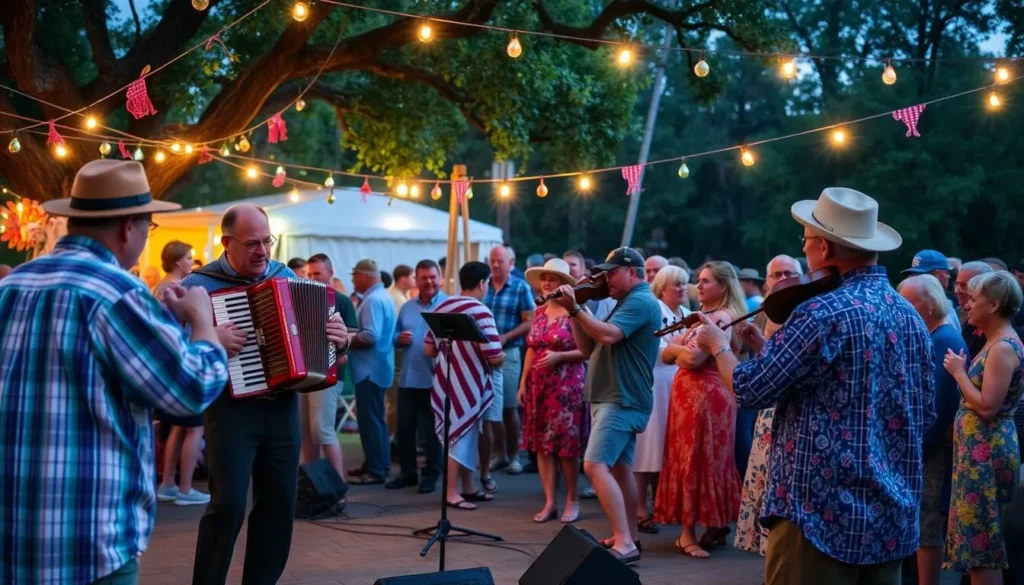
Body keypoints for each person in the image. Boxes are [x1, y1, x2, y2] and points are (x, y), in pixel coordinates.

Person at [0, 159, 229, 585]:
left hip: (11, 536)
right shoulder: (118, 293)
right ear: (129, 227)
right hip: (87, 542)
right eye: (149, 227)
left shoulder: (12, 286)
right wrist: (202, 324)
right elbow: (191, 390)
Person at [694, 187, 933, 585]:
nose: (805, 253)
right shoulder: (909, 315)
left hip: (818, 518)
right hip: (890, 517)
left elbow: (750, 389)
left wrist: (719, 347)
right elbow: (921, 412)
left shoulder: (820, 311)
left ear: (824, 247)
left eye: (805, 243)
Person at [184, 204, 350, 585]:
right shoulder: (199, 286)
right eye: (253, 243)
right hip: (229, 409)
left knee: (278, 505)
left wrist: (338, 344)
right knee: (227, 505)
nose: (263, 251)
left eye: (267, 241)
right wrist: (209, 337)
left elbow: (317, 342)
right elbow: (174, 351)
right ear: (227, 243)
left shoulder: (284, 275)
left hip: (282, 405)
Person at [553, 247, 661, 565]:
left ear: (632, 272)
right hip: (616, 396)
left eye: (611, 272)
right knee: (619, 468)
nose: (605, 279)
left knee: (594, 465)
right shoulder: (625, 302)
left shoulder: (640, 299)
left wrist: (575, 309)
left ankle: (624, 542)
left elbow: (610, 336)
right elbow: (588, 347)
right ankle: (630, 537)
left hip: (622, 398)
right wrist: (577, 309)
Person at [655, 261, 746, 558]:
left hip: (706, 398)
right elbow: (668, 353)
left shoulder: (721, 317)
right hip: (691, 397)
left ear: (723, 286)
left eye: (706, 281)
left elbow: (689, 358)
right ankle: (710, 526)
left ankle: (687, 535)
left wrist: (677, 350)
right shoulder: (703, 317)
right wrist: (678, 351)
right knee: (696, 458)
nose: (699, 286)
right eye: (699, 279)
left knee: (698, 459)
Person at [942, 270, 1024, 585]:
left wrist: (959, 373)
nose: (968, 305)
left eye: (975, 299)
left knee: (983, 545)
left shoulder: (1003, 347)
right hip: (978, 455)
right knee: (978, 541)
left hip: (985, 456)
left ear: (994, 305)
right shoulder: (995, 342)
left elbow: (988, 406)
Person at [897, 274, 968, 585]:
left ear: (925, 307)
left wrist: (915, 448)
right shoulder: (939, 336)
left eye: (906, 303)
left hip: (932, 449)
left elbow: (936, 405)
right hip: (929, 445)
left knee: (927, 523)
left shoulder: (942, 340)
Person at [734, 254, 803, 557]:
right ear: (767, 280)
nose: (782, 278)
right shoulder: (763, 311)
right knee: (763, 480)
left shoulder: (804, 312)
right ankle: (768, 554)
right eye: (776, 274)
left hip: (791, 411)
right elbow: (769, 363)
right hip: (767, 411)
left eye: (789, 272)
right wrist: (758, 343)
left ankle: (782, 556)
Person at [424, 261, 505, 510]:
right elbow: (494, 355)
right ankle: (451, 492)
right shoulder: (480, 311)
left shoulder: (443, 305)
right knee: (460, 435)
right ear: (482, 283)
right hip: (470, 383)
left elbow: (427, 348)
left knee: (462, 432)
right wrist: (500, 359)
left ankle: (468, 487)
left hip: (446, 381)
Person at [519, 258, 589, 524]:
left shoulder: (575, 310)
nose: (547, 283)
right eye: (545, 278)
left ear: (564, 283)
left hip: (567, 384)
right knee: (542, 446)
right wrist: (523, 382)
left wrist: (560, 357)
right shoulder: (539, 311)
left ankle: (572, 498)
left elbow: (587, 351)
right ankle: (550, 501)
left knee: (565, 447)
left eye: (553, 279)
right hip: (539, 383)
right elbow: (531, 348)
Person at [633, 265, 690, 536]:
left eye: (684, 283)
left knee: (667, 449)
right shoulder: (655, 311)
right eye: (676, 284)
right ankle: (639, 508)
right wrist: (682, 346)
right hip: (656, 384)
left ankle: (662, 503)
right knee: (648, 447)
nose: (681, 288)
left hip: (679, 385)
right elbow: (658, 350)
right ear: (662, 287)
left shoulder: (688, 314)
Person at [154, 240, 211, 506]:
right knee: (195, 428)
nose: (192, 261)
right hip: (184, 365)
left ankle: (168, 483)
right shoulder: (175, 288)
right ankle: (186, 488)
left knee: (179, 426)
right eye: (189, 257)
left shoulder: (161, 287)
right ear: (178, 261)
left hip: (171, 368)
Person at [387, 260, 447, 494]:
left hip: (435, 380)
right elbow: (395, 335)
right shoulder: (408, 307)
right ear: (417, 280)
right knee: (405, 429)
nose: (429, 281)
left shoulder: (448, 305)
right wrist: (398, 338)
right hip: (409, 378)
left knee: (432, 432)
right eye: (424, 278)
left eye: (433, 277)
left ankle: (431, 475)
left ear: (440, 278)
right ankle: (408, 473)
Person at [300, 254, 358, 481]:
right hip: (303, 374)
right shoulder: (304, 298)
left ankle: (337, 486)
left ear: (330, 273)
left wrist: (338, 351)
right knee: (306, 432)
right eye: (309, 274)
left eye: (317, 273)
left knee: (322, 430)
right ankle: (313, 485)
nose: (312, 278)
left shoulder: (342, 301)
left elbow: (350, 340)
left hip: (329, 374)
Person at [484, 245, 535, 475]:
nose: (495, 265)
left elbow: (529, 322)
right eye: (492, 261)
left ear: (511, 263)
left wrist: (506, 336)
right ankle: (498, 454)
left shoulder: (520, 287)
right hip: (484, 353)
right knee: (490, 407)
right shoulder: (483, 286)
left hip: (510, 352)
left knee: (509, 407)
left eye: (500, 261)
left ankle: (514, 456)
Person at [346, 259, 398, 485]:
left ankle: (375, 470)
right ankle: (378, 464)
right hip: (379, 367)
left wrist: (345, 339)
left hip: (369, 369)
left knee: (369, 421)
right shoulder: (382, 297)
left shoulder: (372, 301)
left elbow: (370, 336)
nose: (352, 280)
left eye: (354, 275)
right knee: (377, 419)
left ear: (364, 275)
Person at [902, 249, 960, 331]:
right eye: (946, 272)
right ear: (937, 274)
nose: (949, 276)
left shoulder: (942, 309)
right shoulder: (940, 310)